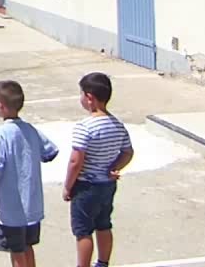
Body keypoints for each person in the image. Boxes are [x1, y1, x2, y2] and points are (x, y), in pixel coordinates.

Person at [0, 80, 59, 267]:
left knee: (16, 251)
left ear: (0, 106)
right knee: (27, 246)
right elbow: (49, 152)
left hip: (11, 208)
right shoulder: (30, 129)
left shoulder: (0, 134)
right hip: (32, 204)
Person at [63, 73, 134, 267]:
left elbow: (75, 161)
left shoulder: (84, 127)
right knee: (103, 224)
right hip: (107, 185)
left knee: (83, 231)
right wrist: (115, 166)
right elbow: (128, 152)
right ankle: (103, 263)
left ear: (89, 98)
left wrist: (68, 186)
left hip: (86, 186)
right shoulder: (117, 125)